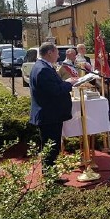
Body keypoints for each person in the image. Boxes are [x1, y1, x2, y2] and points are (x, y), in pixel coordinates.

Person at [29, 42, 77, 175]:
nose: (58, 55)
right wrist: (69, 84)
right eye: (56, 52)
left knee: (52, 147)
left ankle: (52, 175)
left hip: (50, 114)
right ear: (49, 53)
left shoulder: (43, 66)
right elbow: (55, 90)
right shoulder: (43, 69)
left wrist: (65, 83)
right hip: (49, 115)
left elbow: (52, 86)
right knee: (51, 148)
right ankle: (50, 179)